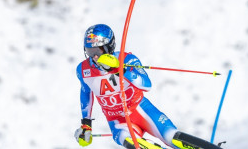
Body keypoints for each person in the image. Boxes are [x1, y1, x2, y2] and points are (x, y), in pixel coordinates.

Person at [74, 24, 222, 149]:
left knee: (171, 137)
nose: (94, 57)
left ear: (109, 47)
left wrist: (121, 69)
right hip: (118, 121)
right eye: (90, 51)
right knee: (131, 143)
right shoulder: (83, 70)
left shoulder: (127, 59)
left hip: (141, 110)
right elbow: (85, 92)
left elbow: (146, 85)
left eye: (98, 51)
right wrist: (86, 123)